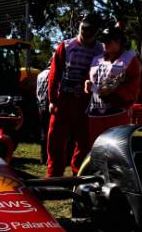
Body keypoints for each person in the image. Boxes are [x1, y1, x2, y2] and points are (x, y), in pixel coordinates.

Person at [45, 13, 105, 176]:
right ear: (79, 25)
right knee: (56, 139)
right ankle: (54, 175)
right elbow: (54, 74)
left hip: (86, 102)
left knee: (84, 142)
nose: (86, 33)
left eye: (91, 30)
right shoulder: (66, 46)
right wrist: (52, 100)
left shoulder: (101, 49)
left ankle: (79, 175)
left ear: (97, 31)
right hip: (63, 100)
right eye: (84, 28)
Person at [84, 23, 142, 150]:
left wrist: (115, 91)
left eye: (108, 41)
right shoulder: (96, 59)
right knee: (95, 148)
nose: (104, 43)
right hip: (95, 112)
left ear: (118, 41)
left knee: (116, 149)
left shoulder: (130, 59)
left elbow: (134, 85)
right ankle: (97, 170)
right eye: (103, 41)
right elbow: (90, 79)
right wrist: (87, 84)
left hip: (117, 112)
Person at [35, 66, 51, 164]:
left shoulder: (40, 75)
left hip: (41, 105)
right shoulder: (52, 73)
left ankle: (43, 157)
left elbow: (37, 91)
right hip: (50, 105)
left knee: (43, 132)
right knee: (52, 133)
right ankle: (49, 157)